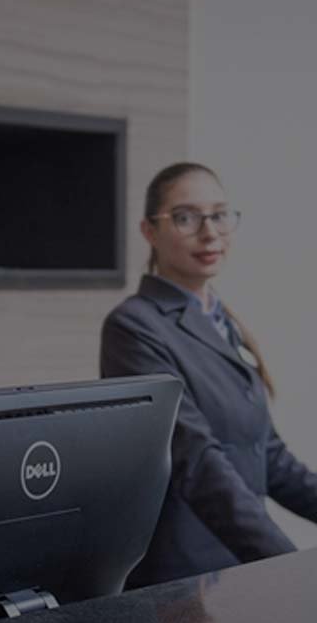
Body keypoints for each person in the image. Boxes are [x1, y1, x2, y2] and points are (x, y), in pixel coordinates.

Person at [100, 162, 317, 587]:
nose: (210, 232)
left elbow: (269, 456)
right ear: (149, 231)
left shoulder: (220, 320)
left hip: (240, 568)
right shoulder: (133, 326)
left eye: (219, 214)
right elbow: (196, 460)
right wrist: (287, 566)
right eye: (186, 217)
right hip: (184, 581)